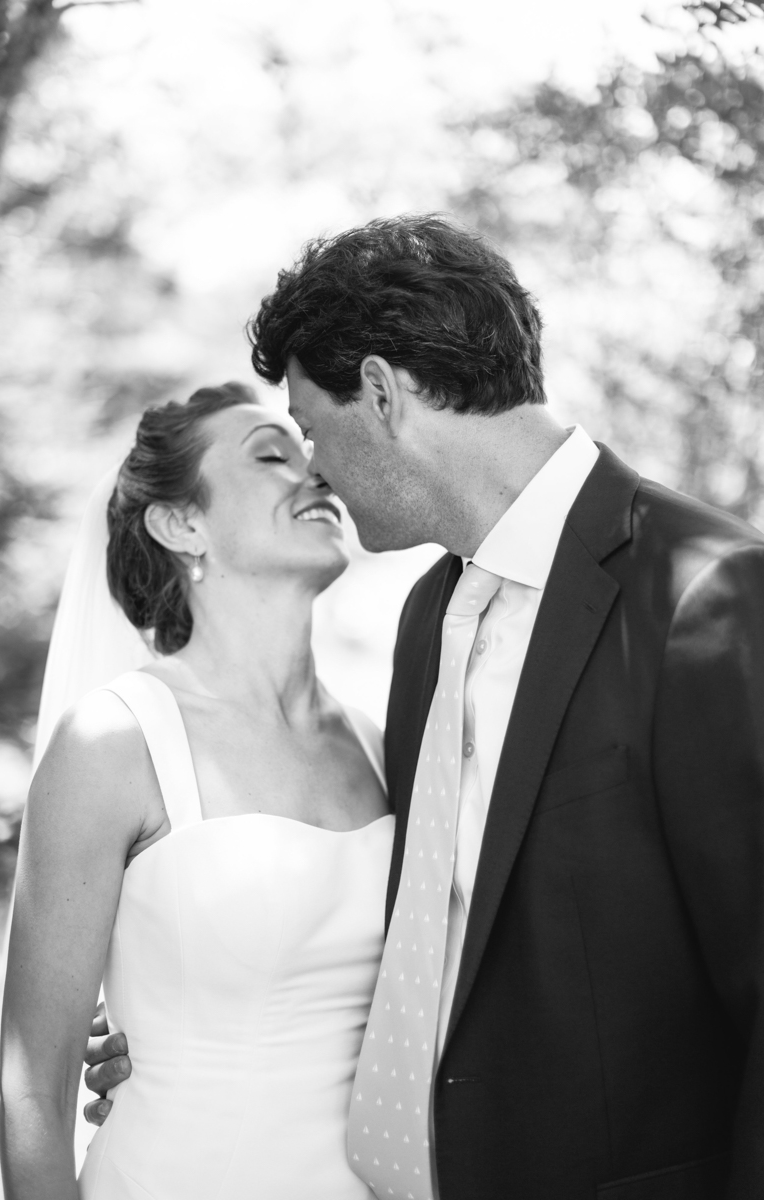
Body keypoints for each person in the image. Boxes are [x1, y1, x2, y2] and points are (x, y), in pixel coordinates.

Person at [87, 215, 764, 1199]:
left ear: (379, 392)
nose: (311, 468)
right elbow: (439, 935)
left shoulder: (706, 594)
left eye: (311, 429)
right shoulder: (427, 615)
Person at [0, 381, 393, 1200]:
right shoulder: (113, 742)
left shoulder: (381, 742)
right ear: (182, 525)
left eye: (309, 451)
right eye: (271, 456)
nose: (314, 473)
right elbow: (32, 1092)